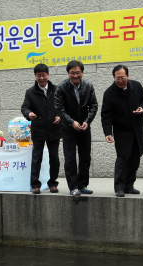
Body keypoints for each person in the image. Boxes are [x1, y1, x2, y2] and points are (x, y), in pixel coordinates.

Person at [100, 65, 143, 197]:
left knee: (135, 159)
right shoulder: (109, 93)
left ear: (127, 76)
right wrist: (108, 132)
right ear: (113, 78)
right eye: (117, 78)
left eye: (122, 77)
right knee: (122, 159)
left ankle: (129, 185)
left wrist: (142, 108)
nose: (120, 81)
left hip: (137, 129)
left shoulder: (136, 86)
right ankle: (119, 187)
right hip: (122, 131)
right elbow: (106, 115)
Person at [54, 60, 98, 196]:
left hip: (84, 128)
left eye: (78, 73)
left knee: (85, 157)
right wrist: (71, 122)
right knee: (70, 158)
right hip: (68, 129)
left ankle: (82, 184)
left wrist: (87, 121)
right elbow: (60, 109)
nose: (75, 75)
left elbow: (94, 106)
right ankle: (73, 187)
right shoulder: (61, 88)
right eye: (72, 73)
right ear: (68, 73)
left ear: (82, 72)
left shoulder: (89, 86)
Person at [21, 63, 62, 194]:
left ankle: (53, 183)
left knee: (54, 158)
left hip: (54, 128)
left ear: (48, 75)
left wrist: (59, 115)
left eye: (43, 75)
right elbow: (25, 107)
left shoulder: (57, 90)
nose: (41, 78)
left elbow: (63, 107)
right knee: (36, 157)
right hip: (38, 129)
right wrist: (29, 114)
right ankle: (35, 185)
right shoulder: (30, 92)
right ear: (35, 76)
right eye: (38, 75)